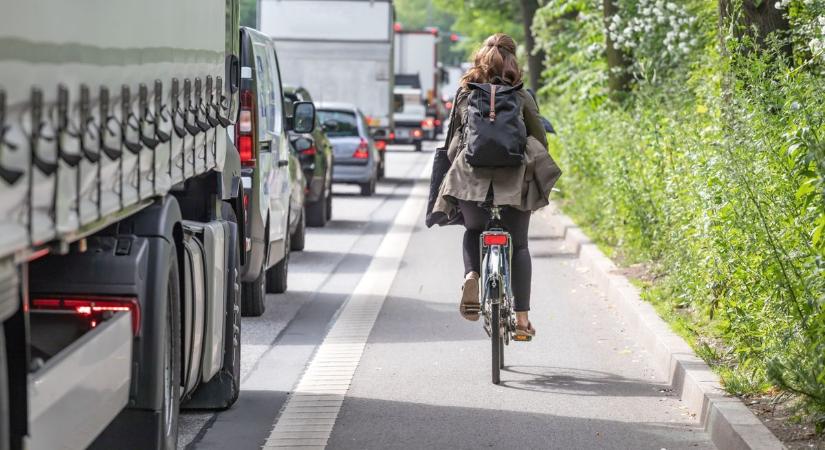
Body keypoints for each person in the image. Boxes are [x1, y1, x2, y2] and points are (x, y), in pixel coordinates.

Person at [429, 33, 561, 339]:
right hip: (513, 183)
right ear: (512, 61)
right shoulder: (521, 95)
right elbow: (540, 139)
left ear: (479, 60)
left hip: (470, 184)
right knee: (520, 245)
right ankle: (523, 320)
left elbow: (452, 144)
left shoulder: (465, 94)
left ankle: (472, 274)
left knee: (473, 231)